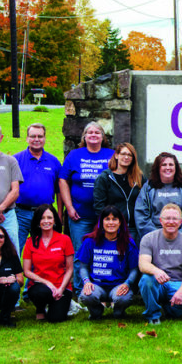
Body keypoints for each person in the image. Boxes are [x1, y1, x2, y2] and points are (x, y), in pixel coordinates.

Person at [59, 122, 114, 290]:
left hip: (105, 217)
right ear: (84, 136)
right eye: (89, 132)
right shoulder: (74, 155)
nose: (93, 135)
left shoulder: (111, 155)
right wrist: (69, 207)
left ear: (103, 137)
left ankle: (103, 287)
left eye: (97, 132)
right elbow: (63, 180)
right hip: (79, 215)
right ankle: (79, 288)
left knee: (103, 252)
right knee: (80, 253)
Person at [137, 204, 182, 325]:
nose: (171, 222)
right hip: (157, 283)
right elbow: (143, 264)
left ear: (181, 221)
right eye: (167, 218)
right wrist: (157, 271)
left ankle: (169, 310)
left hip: (177, 283)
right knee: (146, 280)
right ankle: (153, 315)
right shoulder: (148, 238)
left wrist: (181, 291)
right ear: (160, 220)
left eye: (175, 219)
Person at [76, 206, 139, 320]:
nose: (111, 223)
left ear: (120, 223)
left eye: (114, 219)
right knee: (86, 296)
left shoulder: (128, 243)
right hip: (97, 285)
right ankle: (96, 311)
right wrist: (86, 282)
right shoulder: (90, 241)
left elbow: (134, 269)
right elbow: (83, 267)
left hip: (118, 285)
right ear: (101, 222)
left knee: (123, 298)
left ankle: (118, 312)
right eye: (107, 219)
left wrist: (127, 283)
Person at [13, 123, 62, 254]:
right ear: (27, 138)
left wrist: (60, 215)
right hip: (20, 213)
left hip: (44, 215)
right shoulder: (16, 160)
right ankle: (14, 275)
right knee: (15, 249)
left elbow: (59, 191)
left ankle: (34, 275)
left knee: (42, 252)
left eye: (40, 136)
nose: (36, 139)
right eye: (33, 136)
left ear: (45, 138)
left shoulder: (53, 161)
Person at [22, 205, 74, 323]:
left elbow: (70, 269)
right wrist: (47, 283)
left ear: (54, 220)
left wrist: (61, 289)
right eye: (42, 218)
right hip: (40, 286)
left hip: (62, 286)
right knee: (41, 292)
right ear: (37, 221)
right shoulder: (31, 241)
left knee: (56, 319)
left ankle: (63, 304)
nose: (46, 221)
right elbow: (26, 271)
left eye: (49, 218)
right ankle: (40, 308)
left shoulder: (64, 239)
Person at [135, 151, 182, 240]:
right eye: (164, 165)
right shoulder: (149, 187)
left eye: (171, 165)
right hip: (154, 239)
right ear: (158, 168)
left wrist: (180, 237)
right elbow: (141, 215)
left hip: (180, 238)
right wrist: (158, 238)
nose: (168, 167)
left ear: (176, 167)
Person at [92, 142, 143, 237]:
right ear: (116, 155)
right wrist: (108, 224)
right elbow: (99, 206)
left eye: (129, 155)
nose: (126, 157)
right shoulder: (105, 178)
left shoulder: (139, 178)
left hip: (134, 228)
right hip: (114, 228)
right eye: (123, 154)